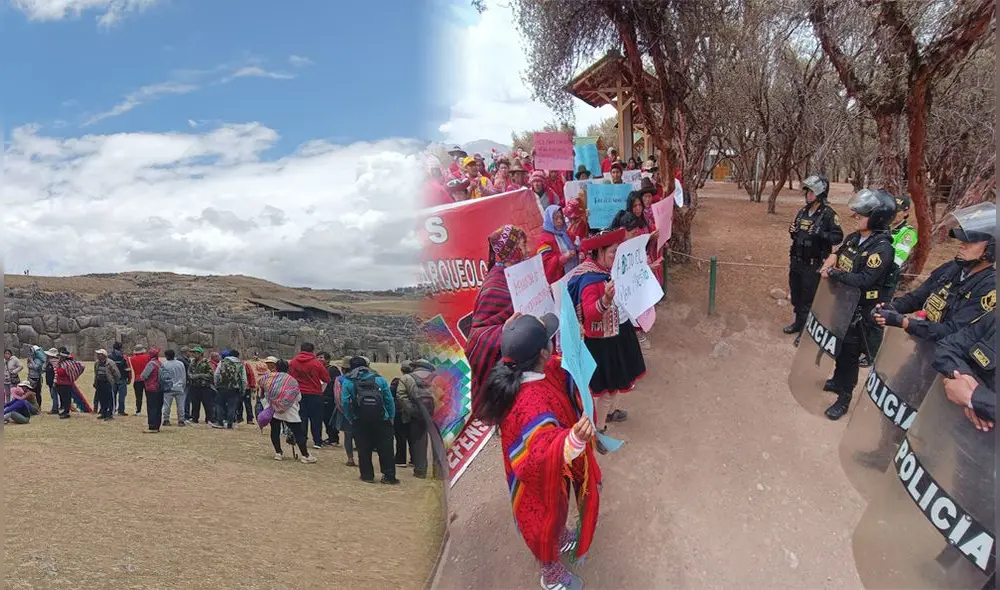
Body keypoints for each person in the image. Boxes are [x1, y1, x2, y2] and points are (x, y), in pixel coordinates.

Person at [474, 313, 601, 590]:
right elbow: (542, 456)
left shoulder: (524, 372)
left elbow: (563, 368)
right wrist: (574, 440)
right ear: (543, 353)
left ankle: (558, 537)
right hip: (534, 480)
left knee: (556, 510)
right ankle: (550, 573)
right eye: (551, 338)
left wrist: (575, 346)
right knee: (541, 523)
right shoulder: (531, 403)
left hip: (543, 475)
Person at [818, 188, 897, 420]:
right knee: (840, 349)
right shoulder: (855, 238)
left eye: (861, 214)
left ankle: (845, 397)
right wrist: (832, 258)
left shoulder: (882, 249)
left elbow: (864, 280)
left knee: (851, 355)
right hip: (842, 305)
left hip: (859, 312)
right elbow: (840, 251)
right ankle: (836, 379)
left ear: (877, 218)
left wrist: (833, 272)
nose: (856, 217)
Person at [874, 202, 995, 342]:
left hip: (952, 359)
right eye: (963, 240)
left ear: (991, 249)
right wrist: (894, 307)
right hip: (925, 348)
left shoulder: (990, 287)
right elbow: (919, 296)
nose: (962, 245)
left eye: (971, 242)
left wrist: (905, 322)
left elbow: (953, 330)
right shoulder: (953, 267)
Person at [567, 228, 647, 437]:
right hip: (603, 344)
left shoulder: (603, 270)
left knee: (618, 380)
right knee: (608, 388)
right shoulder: (590, 280)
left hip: (616, 334)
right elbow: (590, 313)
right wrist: (605, 301)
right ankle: (599, 430)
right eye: (612, 253)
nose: (616, 257)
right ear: (600, 252)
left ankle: (610, 413)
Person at [466, 225, 528, 409]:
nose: (527, 250)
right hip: (505, 364)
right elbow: (478, 335)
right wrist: (505, 329)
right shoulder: (495, 284)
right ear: (512, 249)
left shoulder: (518, 274)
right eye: (523, 245)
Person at [784, 174, 844, 339]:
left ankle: (806, 332)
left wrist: (821, 234)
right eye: (807, 192)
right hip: (797, 261)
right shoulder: (802, 211)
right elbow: (798, 234)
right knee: (796, 295)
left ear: (821, 194)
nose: (808, 195)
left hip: (813, 264)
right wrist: (793, 232)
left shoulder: (828, 214)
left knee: (809, 299)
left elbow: (838, 237)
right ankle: (798, 323)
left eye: (812, 192)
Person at [340, 356, 398, 484]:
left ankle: (367, 475)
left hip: (360, 419)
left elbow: (345, 402)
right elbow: (389, 400)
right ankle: (389, 475)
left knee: (363, 448)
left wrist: (350, 417)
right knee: (386, 448)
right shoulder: (379, 380)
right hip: (382, 418)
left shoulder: (348, 381)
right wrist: (391, 416)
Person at [260, 357, 317, 464]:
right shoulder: (291, 381)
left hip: (273, 408)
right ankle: (305, 455)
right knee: (298, 432)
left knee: (275, 431)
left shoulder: (268, 378)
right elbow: (298, 397)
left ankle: (278, 453)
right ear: (288, 368)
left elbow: (264, 388)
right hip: (289, 410)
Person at [395, 359, 436, 478]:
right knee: (438, 443)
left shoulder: (407, 378)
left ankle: (420, 470)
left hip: (416, 415)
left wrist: (412, 411)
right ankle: (439, 471)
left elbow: (401, 395)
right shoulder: (438, 378)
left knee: (418, 442)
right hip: (435, 415)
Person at [288, 342, 330, 449]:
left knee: (302, 417)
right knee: (316, 418)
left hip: (299, 394)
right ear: (312, 351)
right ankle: (317, 441)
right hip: (315, 394)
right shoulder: (316, 363)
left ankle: (302, 439)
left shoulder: (293, 362)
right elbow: (326, 379)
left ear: (300, 349)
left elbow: (290, 378)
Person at [537, 204, 579, 283]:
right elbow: (545, 266)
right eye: (556, 219)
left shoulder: (566, 233)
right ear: (549, 220)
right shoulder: (544, 240)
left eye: (561, 218)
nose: (560, 221)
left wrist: (580, 251)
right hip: (560, 280)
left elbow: (578, 244)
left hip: (573, 273)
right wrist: (563, 258)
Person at [213, 349, 247, 430]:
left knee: (220, 404)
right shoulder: (240, 364)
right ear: (237, 356)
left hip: (222, 387)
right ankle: (230, 424)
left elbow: (216, 374)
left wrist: (216, 384)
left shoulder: (223, 362)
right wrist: (243, 389)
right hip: (234, 388)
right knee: (232, 406)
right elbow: (243, 379)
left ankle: (220, 422)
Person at [139, 348, 171, 432]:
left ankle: (152, 426)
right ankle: (157, 425)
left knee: (151, 407)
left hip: (151, 388)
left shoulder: (151, 364)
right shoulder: (160, 363)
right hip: (160, 388)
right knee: (158, 407)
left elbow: (144, 375)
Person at [334, 357, 357, 467]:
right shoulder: (361, 378)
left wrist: (342, 410)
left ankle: (350, 458)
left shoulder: (340, 379)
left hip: (346, 410)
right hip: (361, 410)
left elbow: (338, 397)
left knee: (348, 436)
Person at [316, 351, 342, 446]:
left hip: (329, 397)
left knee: (329, 418)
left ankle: (334, 438)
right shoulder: (317, 369)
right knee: (323, 418)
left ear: (327, 359)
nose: (319, 359)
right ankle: (331, 437)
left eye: (321, 357)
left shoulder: (332, 369)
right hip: (320, 396)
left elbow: (336, 383)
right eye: (318, 357)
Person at [53, 347, 84, 419]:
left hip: (66, 384)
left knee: (67, 398)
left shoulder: (68, 363)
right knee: (63, 398)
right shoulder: (61, 363)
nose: (60, 358)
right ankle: (64, 411)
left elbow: (61, 372)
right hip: (60, 383)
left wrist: (57, 369)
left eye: (61, 356)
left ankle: (66, 412)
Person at [392, 362, 413, 468]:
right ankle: (414, 458)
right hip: (413, 412)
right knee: (412, 436)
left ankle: (400, 459)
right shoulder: (416, 381)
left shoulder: (398, 381)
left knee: (400, 437)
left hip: (400, 411)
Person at [187, 346, 215, 424]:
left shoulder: (207, 362)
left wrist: (199, 375)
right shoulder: (192, 362)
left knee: (207, 404)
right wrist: (191, 377)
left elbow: (211, 375)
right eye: (193, 353)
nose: (193, 355)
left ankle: (209, 419)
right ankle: (194, 418)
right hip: (194, 386)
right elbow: (189, 373)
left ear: (200, 354)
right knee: (195, 404)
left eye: (195, 353)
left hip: (204, 386)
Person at [92, 348, 122, 421]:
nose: (98, 356)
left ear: (104, 355)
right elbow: (96, 373)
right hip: (100, 382)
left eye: (99, 354)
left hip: (108, 383)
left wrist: (114, 381)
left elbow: (117, 373)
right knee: (102, 399)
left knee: (110, 399)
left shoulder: (110, 363)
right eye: (97, 354)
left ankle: (110, 414)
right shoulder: (97, 363)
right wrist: (95, 382)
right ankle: (103, 413)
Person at [160, 349, 187, 427]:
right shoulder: (180, 364)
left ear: (167, 356)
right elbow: (183, 376)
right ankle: (181, 420)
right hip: (179, 387)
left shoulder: (165, 364)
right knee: (181, 405)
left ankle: (166, 419)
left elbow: (162, 377)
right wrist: (183, 386)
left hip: (169, 388)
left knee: (166, 405)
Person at [108, 342, 131, 416]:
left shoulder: (109, 356)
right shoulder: (124, 357)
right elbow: (128, 368)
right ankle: (121, 411)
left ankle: (112, 409)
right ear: (121, 348)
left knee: (112, 395)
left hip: (112, 378)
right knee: (122, 396)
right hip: (122, 378)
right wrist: (129, 379)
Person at [129, 345, 151, 416]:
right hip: (146, 379)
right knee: (149, 396)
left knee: (138, 397)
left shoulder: (132, 358)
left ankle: (138, 411)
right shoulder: (147, 357)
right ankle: (150, 410)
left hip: (137, 379)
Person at [43, 348, 58, 414]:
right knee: (53, 395)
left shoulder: (54, 362)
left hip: (53, 382)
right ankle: (55, 407)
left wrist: (55, 382)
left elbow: (56, 373)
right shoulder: (49, 362)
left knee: (54, 395)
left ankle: (55, 409)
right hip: (50, 381)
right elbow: (43, 369)